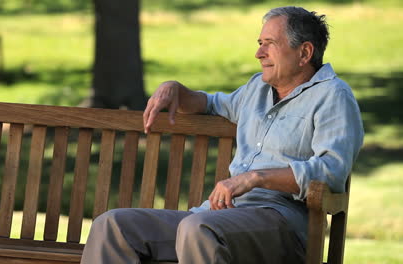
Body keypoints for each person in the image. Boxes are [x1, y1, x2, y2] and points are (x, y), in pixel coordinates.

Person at [80, 6, 364, 264]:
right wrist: (176, 89)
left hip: (283, 224)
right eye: (260, 44)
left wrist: (255, 178)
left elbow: (331, 172)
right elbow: (213, 103)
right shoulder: (257, 89)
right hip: (222, 217)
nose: (259, 53)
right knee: (112, 226)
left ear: (304, 53)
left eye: (270, 44)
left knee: (199, 229)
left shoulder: (333, 96)